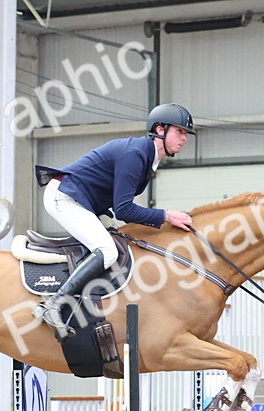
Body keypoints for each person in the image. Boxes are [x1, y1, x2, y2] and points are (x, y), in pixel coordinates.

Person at [33, 102, 196, 340]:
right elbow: (124, 209)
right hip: (64, 197)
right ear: (160, 129)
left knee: (121, 243)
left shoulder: (147, 158)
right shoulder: (135, 154)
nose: (184, 138)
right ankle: (53, 304)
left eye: (185, 133)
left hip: (83, 201)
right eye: (179, 131)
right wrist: (166, 215)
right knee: (107, 251)